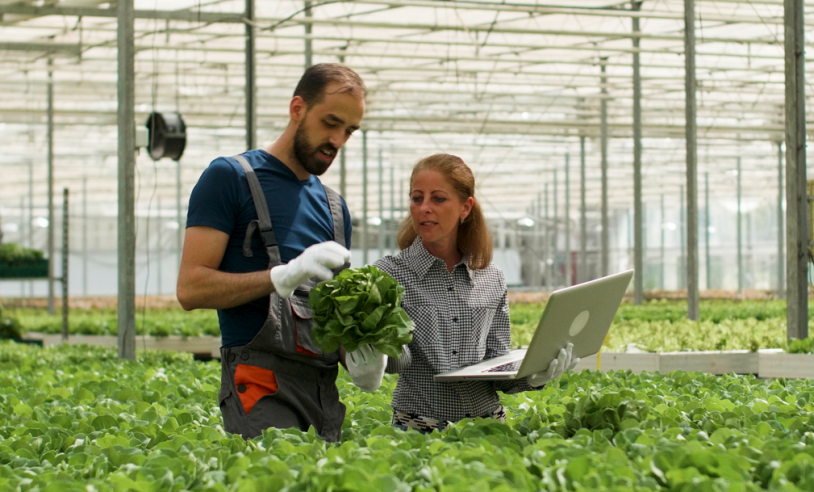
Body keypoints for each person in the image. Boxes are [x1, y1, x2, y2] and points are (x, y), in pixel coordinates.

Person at [176, 63, 384, 442]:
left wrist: (358, 352)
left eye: (349, 131)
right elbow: (191, 289)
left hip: (322, 391)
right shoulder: (230, 178)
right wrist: (279, 277)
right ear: (297, 108)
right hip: (260, 384)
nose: (337, 139)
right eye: (330, 122)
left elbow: (327, 315)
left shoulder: (334, 208)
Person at [372, 153, 579, 432]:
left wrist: (535, 374)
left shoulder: (491, 277)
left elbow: (496, 362)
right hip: (418, 427)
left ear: (465, 208)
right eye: (417, 198)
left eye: (438, 198)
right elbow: (394, 363)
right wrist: (375, 347)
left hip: (488, 427)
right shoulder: (389, 274)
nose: (424, 208)